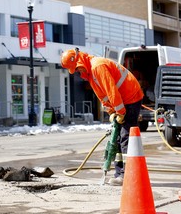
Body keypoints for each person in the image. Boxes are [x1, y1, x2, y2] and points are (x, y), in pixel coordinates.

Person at [61, 48, 144, 186]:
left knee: (125, 137)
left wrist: (120, 112)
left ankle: (128, 175)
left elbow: (112, 90)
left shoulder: (97, 67)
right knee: (117, 138)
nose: (78, 73)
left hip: (130, 97)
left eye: (76, 70)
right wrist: (112, 112)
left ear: (79, 63)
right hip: (123, 101)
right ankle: (119, 173)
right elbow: (103, 96)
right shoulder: (91, 74)